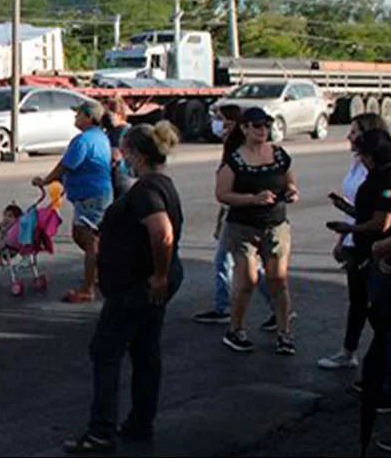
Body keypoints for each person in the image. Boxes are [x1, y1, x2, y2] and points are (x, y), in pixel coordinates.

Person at [63, 122, 185, 455]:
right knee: (145, 351)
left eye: (125, 151)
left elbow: (162, 234)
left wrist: (158, 275)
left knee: (105, 351)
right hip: (144, 282)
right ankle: (139, 422)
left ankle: (101, 431)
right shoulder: (160, 184)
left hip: (136, 287)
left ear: (135, 153)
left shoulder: (146, 191)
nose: (120, 157)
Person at [217, 106, 299, 355]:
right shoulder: (235, 159)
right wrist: (254, 199)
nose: (263, 130)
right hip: (243, 227)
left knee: (278, 279)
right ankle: (236, 329)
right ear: (244, 128)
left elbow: (289, 180)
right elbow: (222, 194)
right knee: (248, 280)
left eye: (266, 125)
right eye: (257, 126)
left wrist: (292, 191)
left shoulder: (279, 154)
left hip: (276, 224)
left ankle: (284, 333)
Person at [318, 113, 391, 371]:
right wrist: (343, 235)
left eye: (354, 131)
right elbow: (358, 208)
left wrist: (350, 227)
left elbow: (379, 216)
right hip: (354, 237)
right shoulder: (358, 164)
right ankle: (350, 350)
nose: (349, 136)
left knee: (371, 303)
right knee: (358, 299)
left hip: (369, 243)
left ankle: (384, 353)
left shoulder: (380, 173)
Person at [194, 104, 275, 325]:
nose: (218, 125)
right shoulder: (230, 146)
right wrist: (220, 219)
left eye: (222, 121)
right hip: (234, 214)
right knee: (246, 264)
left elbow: (231, 190)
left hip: (241, 216)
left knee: (228, 262)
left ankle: (226, 309)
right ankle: (277, 306)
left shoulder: (241, 149)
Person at [32, 101, 113, 304]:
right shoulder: (100, 137)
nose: (75, 118)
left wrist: (45, 180)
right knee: (86, 237)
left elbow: (66, 166)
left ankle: (88, 288)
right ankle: (97, 272)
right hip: (96, 193)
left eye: (78, 115)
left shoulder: (83, 140)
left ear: (89, 118)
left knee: (88, 239)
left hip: (90, 196)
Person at [103, 95, 132, 201]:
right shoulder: (114, 130)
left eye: (108, 115)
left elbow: (115, 155)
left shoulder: (121, 131)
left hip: (120, 176)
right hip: (120, 176)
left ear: (119, 115)